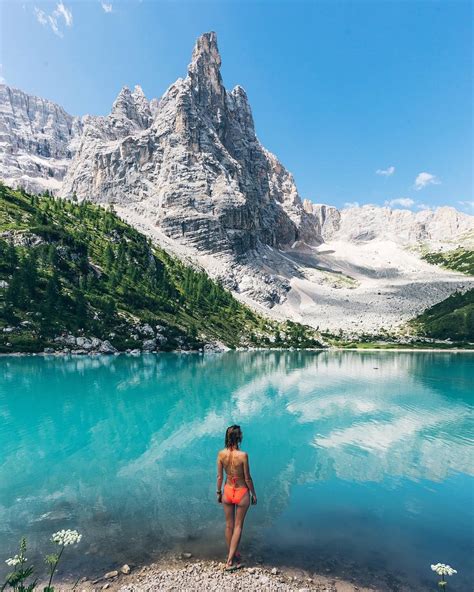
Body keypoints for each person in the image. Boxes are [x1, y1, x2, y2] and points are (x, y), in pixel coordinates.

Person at [216, 424, 257, 571]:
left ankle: (233, 554)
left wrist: (218, 493)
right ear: (239, 437)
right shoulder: (243, 455)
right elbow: (247, 478)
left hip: (227, 491)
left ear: (227, 437)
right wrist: (253, 493)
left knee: (229, 525)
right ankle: (230, 561)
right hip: (241, 492)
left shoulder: (221, 454)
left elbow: (220, 476)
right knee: (238, 526)